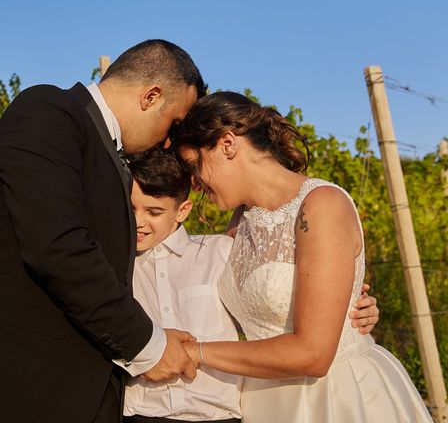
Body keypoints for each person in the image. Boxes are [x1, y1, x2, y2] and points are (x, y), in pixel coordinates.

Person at [0, 39, 206, 423]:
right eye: (174, 122)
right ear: (151, 95)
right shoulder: (49, 111)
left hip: (52, 387)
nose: (169, 140)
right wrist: (149, 347)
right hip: (2, 383)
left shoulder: (108, 152)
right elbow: (59, 247)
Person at [0, 147, 381, 423]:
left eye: (153, 211)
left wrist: (355, 308)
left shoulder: (223, 254)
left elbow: (282, 290)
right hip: (136, 413)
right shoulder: (101, 266)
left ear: (183, 210)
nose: (138, 222)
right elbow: (41, 281)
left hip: (220, 415)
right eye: (129, 209)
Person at [168, 91, 432, 422]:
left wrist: (197, 352)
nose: (194, 184)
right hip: (261, 399)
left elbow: (314, 354)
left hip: (332, 399)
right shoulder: (241, 222)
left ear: (227, 144)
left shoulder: (321, 205)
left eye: (195, 166)